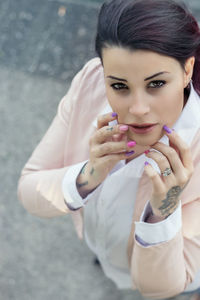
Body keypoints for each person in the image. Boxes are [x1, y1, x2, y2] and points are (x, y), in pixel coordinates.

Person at [18, 0, 200, 299]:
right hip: (101, 243)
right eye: (119, 86)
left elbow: (159, 289)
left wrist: (163, 210)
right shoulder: (91, 82)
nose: (138, 109)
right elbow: (29, 189)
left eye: (156, 83)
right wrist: (87, 176)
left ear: (186, 69)